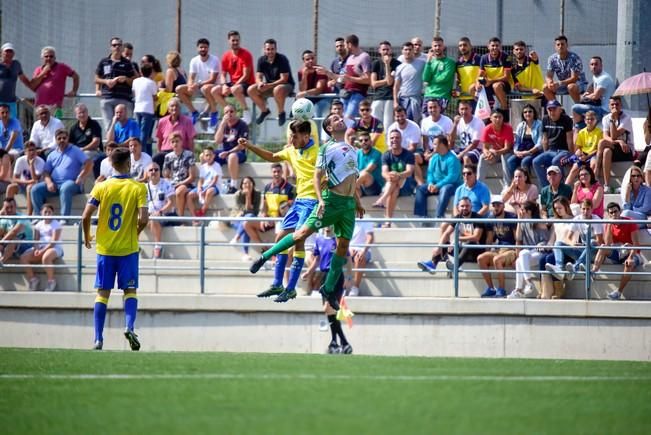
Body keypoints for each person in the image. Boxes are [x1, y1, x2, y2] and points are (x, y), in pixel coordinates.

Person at [249, 113, 365, 311]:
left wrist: (358, 202)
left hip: (347, 205)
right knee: (301, 234)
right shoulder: (326, 148)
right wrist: (320, 200)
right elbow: (317, 176)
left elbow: (352, 179)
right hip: (330, 201)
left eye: (340, 117)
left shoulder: (352, 150)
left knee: (343, 247)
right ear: (329, 128)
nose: (340, 119)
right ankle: (265, 256)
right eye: (335, 119)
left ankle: (328, 289)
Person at [239, 120, 319, 302]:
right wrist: (250, 146)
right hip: (299, 201)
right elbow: (272, 156)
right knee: (280, 236)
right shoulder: (292, 150)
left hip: (312, 202)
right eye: (290, 135)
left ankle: (291, 288)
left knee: (298, 240)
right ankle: (277, 283)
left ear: (306, 136)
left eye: (295, 136)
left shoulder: (317, 153)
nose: (291, 139)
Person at [81, 147, 148, 351]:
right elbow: (144, 219)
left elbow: (85, 216)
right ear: (129, 163)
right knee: (130, 290)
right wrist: (135, 233)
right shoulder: (138, 188)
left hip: (105, 249)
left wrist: (86, 236)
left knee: (103, 293)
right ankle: (129, 327)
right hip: (128, 249)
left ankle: (98, 339)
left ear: (111, 164)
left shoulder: (101, 187)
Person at [300, 228, 352, 354]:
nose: (328, 227)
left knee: (328, 309)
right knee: (330, 312)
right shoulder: (319, 239)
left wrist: (349, 277)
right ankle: (340, 343)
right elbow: (317, 260)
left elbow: (348, 259)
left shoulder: (338, 239)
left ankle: (339, 342)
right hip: (324, 277)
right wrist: (308, 272)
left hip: (336, 276)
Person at [31, 129, 92, 218]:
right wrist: (49, 183)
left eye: (64, 138)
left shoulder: (75, 150)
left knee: (65, 188)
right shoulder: (52, 154)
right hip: (55, 185)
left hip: (72, 183)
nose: (62, 140)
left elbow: (89, 163)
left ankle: (64, 218)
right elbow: (46, 172)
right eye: (59, 138)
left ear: (68, 138)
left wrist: (81, 176)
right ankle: (38, 217)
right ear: (55, 140)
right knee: (35, 189)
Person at [416, 196, 485, 273]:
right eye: (462, 206)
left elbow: (476, 238)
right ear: (458, 207)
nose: (465, 208)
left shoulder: (477, 218)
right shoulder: (458, 218)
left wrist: (457, 239)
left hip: (476, 252)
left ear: (471, 207)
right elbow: (446, 233)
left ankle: (454, 267)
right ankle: (433, 264)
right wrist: (439, 247)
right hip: (463, 252)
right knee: (445, 243)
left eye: (467, 206)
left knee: (470, 243)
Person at [593, 202, 644, 300]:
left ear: (620, 211)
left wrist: (630, 257)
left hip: (632, 252)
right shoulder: (609, 224)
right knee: (603, 246)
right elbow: (608, 244)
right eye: (611, 213)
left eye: (615, 211)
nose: (613, 214)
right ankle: (594, 271)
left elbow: (636, 244)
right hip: (619, 252)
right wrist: (609, 225)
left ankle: (618, 292)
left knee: (629, 263)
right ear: (608, 214)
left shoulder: (630, 222)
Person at [243, 163, 295, 258]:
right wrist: (263, 217)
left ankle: (275, 257)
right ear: (271, 173)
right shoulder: (267, 187)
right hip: (269, 219)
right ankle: (266, 251)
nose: (276, 174)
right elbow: (264, 206)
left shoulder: (289, 188)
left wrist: (275, 219)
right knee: (247, 223)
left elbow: (290, 208)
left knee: (279, 232)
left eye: (278, 171)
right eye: (274, 172)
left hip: (282, 220)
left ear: (282, 172)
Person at [546, 198, 604, 281]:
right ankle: (559, 269)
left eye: (588, 209)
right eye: (583, 209)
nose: (585, 211)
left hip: (593, 251)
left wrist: (586, 245)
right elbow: (568, 237)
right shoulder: (577, 219)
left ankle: (575, 268)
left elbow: (599, 242)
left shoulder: (596, 220)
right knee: (558, 243)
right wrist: (573, 243)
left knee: (592, 242)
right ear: (580, 209)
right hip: (582, 251)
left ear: (592, 209)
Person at [317, 34, 371, 122]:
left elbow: (368, 80)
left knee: (348, 118)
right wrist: (326, 72)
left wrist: (351, 78)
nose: (344, 47)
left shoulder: (364, 57)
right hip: (346, 93)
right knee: (339, 119)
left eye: (345, 45)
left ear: (349, 45)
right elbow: (342, 79)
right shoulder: (350, 59)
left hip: (357, 93)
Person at [507, 201, 552, 299]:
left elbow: (546, 240)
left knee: (522, 254)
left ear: (529, 211)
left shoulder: (539, 222)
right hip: (528, 253)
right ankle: (519, 289)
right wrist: (519, 220)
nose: (521, 211)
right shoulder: (523, 223)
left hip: (540, 252)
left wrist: (541, 244)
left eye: (522, 209)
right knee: (520, 258)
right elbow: (518, 238)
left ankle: (527, 284)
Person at [413, 135, 462, 224]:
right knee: (420, 188)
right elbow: (430, 173)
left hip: (452, 185)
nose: (433, 146)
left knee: (445, 188)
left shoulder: (453, 159)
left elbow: (452, 177)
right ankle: (422, 217)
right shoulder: (434, 158)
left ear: (442, 145)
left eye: (435, 144)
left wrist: (438, 185)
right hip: (436, 185)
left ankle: (439, 215)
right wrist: (431, 183)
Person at [476, 198, 518, 298]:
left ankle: (501, 289)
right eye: (494, 205)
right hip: (499, 250)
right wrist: (486, 252)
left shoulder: (511, 218)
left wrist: (517, 255)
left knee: (497, 259)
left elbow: (517, 238)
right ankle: (491, 288)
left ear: (503, 206)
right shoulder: (491, 218)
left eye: (498, 205)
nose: (496, 208)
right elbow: (490, 238)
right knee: (481, 258)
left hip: (511, 249)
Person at [248, 39, 294, 126]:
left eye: (272, 49)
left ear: (276, 49)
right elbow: (258, 76)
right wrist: (260, 83)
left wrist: (269, 85)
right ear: (264, 50)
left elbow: (284, 79)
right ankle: (265, 111)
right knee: (251, 90)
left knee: (277, 89)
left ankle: (281, 113)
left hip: (286, 85)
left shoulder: (282, 59)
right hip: (270, 86)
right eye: (268, 49)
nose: (270, 51)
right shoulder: (261, 60)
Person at [176, 38, 222, 126]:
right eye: (201, 47)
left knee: (205, 88)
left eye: (205, 47)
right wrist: (190, 86)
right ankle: (194, 112)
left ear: (208, 48)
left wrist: (198, 84)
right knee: (179, 89)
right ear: (197, 48)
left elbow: (212, 79)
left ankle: (213, 112)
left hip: (212, 87)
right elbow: (191, 77)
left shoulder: (214, 60)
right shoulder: (194, 60)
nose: (203, 49)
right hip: (200, 87)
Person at [94, 37, 136, 130]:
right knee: (109, 127)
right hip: (107, 98)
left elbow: (135, 79)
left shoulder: (127, 63)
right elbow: (96, 78)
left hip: (124, 99)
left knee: (125, 127)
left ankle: (124, 144)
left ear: (122, 48)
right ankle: (111, 144)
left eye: (119, 45)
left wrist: (126, 79)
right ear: (110, 47)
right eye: (114, 45)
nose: (117, 47)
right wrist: (105, 82)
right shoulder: (104, 62)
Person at [19, 203, 63, 291]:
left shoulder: (56, 224)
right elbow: (36, 240)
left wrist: (42, 251)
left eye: (49, 212)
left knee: (46, 257)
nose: (47, 214)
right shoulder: (38, 225)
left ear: (52, 213)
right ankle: (33, 279)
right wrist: (36, 249)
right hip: (41, 248)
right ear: (41, 213)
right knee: (23, 257)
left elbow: (53, 242)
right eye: (45, 212)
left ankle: (51, 281)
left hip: (55, 248)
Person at [531, 100, 574, 186]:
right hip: (550, 150)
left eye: (554, 109)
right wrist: (545, 152)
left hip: (563, 150)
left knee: (555, 161)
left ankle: (560, 187)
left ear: (560, 110)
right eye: (549, 109)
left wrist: (571, 154)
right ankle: (546, 187)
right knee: (536, 161)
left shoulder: (566, 119)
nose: (552, 112)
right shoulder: (545, 119)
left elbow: (569, 138)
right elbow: (545, 138)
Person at [596, 96, 635, 191]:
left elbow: (614, 135)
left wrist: (613, 120)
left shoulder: (626, 118)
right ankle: (607, 185)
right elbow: (605, 136)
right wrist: (619, 141)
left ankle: (596, 172)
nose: (615, 107)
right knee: (606, 151)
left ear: (621, 105)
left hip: (626, 150)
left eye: (617, 104)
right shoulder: (605, 118)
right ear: (609, 106)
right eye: (612, 104)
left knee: (602, 143)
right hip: (614, 147)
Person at [216, 30, 254, 124]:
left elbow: (246, 75)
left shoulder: (246, 54)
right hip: (234, 84)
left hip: (247, 83)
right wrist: (224, 85)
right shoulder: (226, 56)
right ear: (229, 41)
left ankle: (246, 111)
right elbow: (223, 74)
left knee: (235, 89)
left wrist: (232, 87)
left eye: (237, 40)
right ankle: (230, 111)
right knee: (214, 90)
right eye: (233, 40)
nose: (235, 42)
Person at [379, 129, 416, 227]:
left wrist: (397, 175)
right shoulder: (386, 155)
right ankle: (388, 222)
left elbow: (409, 172)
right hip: (392, 186)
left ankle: (382, 199)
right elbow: (384, 172)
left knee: (395, 176)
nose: (394, 140)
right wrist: (390, 176)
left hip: (407, 186)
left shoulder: (408, 154)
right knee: (394, 189)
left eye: (397, 137)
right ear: (389, 140)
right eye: (392, 138)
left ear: (401, 139)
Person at [30, 46, 79, 112]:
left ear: (55, 58)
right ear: (42, 58)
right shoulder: (38, 69)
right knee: (39, 123)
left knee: (56, 122)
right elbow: (33, 85)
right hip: (39, 108)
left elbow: (76, 77)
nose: (49, 58)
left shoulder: (62, 67)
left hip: (55, 107)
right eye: (46, 56)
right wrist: (44, 72)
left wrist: (74, 91)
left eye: (51, 56)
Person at [571, 56, 615, 127]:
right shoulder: (596, 76)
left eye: (596, 64)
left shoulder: (604, 78)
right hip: (599, 106)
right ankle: (581, 127)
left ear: (601, 66)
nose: (594, 67)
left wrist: (584, 97)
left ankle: (579, 128)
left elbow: (595, 96)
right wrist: (587, 94)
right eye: (592, 64)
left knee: (575, 108)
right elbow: (593, 91)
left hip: (605, 110)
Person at [214, 104, 249, 194]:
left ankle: (233, 185)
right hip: (225, 151)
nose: (229, 114)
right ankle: (208, 182)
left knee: (232, 156)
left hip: (238, 153)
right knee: (205, 155)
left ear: (236, 113)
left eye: (231, 111)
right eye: (226, 112)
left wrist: (229, 152)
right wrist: (222, 124)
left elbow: (242, 145)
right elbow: (217, 141)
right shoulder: (222, 125)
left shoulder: (242, 125)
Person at [153, 97, 196, 168]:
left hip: (181, 152)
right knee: (156, 159)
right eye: (172, 106)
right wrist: (159, 152)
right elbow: (159, 140)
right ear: (168, 109)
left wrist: (191, 155)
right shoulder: (162, 121)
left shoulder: (187, 121)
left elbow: (191, 140)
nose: (174, 108)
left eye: (177, 106)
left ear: (180, 108)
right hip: (166, 152)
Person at [543, 35, 587, 104]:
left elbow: (574, 78)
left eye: (562, 44)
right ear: (555, 47)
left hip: (578, 84)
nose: (560, 46)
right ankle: (558, 109)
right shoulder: (552, 59)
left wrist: (560, 83)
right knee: (545, 87)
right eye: (558, 44)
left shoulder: (574, 58)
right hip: (563, 84)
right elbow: (549, 76)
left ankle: (579, 107)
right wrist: (550, 83)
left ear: (567, 45)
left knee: (571, 87)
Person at [162, 132, 196, 219]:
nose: (175, 144)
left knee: (179, 191)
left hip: (187, 183)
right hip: (173, 183)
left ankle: (180, 218)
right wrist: (170, 182)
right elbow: (166, 175)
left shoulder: (189, 155)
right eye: (173, 142)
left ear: (181, 142)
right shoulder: (168, 157)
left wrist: (179, 183)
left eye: (177, 141)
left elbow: (192, 177)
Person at [145, 162, 175, 259]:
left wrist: (160, 212)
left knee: (153, 219)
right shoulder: (144, 187)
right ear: (147, 173)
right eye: (151, 170)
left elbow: (172, 202)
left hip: (165, 214)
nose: (153, 172)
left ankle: (158, 246)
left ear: (160, 171)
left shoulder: (167, 184)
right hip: (150, 214)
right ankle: (135, 247)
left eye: (156, 169)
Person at [385, 106, 423, 185]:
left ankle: (420, 184)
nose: (400, 118)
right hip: (397, 152)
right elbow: (390, 146)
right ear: (394, 117)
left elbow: (413, 147)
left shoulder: (414, 126)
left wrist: (401, 155)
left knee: (413, 157)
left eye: (402, 115)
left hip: (416, 151)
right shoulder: (391, 128)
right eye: (397, 116)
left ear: (406, 115)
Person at [564, 110, 601, 185]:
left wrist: (587, 156)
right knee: (574, 169)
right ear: (585, 120)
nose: (590, 121)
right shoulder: (581, 132)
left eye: (592, 119)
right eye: (588, 119)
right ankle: (565, 189)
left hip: (593, 155)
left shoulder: (599, 132)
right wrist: (580, 154)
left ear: (595, 120)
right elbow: (578, 147)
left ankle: (592, 185)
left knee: (593, 164)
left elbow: (598, 149)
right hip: (583, 155)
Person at [506, 103, 542, 180]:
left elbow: (539, 143)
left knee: (524, 162)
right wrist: (516, 152)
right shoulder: (521, 125)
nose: (527, 113)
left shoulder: (539, 124)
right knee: (510, 161)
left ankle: (526, 184)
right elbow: (517, 142)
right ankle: (513, 183)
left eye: (530, 111)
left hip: (534, 151)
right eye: (525, 112)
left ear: (534, 113)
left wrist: (528, 152)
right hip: (522, 151)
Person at [6, 141, 43, 215]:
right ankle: (9, 213)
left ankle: (28, 215)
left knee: (29, 188)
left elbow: (35, 179)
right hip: (23, 184)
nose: (32, 152)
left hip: (36, 186)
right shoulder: (20, 160)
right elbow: (14, 178)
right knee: (10, 187)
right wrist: (27, 182)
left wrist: (31, 165)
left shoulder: (40, 162)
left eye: (33, 150)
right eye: (29, 150)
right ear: (25, 152)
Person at [477, 109, 514, 184]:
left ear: (503, 118)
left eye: (500, 117)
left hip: (507, 153)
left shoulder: (508, 128)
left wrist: (495, 152)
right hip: (494, 154)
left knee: (505, 156)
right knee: (482, 157)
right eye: (495, 117)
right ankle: (478, 184)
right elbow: (485, 147)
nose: (498, 119)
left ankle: (507, 185)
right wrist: (488, 153)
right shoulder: (487, 129)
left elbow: (507, 148)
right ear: (490, 118)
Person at [393, 41, 426, 123]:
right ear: (402, 51)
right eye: (406, 49)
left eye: (410, 49)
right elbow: (396, 86)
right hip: (402, 99)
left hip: (414, 99)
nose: (408, 52)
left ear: (413, 50)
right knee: (401, 122)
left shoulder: (422, 64)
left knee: (412, 121)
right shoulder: (399, 67)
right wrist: (395, 101)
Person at [370, 40, 400, 130]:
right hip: (378, 97)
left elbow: (390, 82)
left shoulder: (396, 64)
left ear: (391, 50)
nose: (385, 51)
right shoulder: (376, 63)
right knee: (376, 125)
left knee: (388, 126)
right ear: (379, 51)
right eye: (383, 49)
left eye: (387, 49)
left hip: (390, 98)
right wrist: (385, 80)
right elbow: (373, 84)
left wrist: (387, 65)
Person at [187, 147, 222, 222]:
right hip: (204, 187)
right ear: (204, 157)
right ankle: (195, 217)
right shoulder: (203, 167)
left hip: (214, 187)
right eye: (206, 155)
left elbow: (214, 181)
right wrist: (199, 188)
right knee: (189, 195)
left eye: (210, 155)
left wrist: (204, 190)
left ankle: (203, 211)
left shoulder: (217, 166)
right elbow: (201, 180)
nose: (208, 157)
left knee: (209, 191)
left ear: (213, 156)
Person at [422, 36, 456, 111]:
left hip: (442, 95)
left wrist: (430, 80)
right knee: (426, 120)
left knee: (438, 119)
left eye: (439, 45)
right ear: (432, 47)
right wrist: (428, 61)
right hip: (428, 95)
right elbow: (425, 78)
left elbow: (443, 78)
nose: (437, 48)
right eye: (435, 46)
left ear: (443, 47)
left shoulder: (449, 62)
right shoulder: (430, 62)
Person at [231, 177, 261, 260]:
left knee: (248, 219)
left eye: (249, 183)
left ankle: (236, 238)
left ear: (253, 184)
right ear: (241, 185)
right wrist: (247, 197)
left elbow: (254, 211)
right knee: (246, 223)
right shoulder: (238, 194)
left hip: (250, 217)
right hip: (237, 218)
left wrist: (248, 197)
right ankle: (245, 253)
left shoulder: (257, 194)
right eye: (244, 183)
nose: (247, 185)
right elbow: (240, 211)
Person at [477, 37, 512, 110]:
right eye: (493, 45)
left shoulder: (507, 57)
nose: (495, 47)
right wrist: (478, 84)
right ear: (488, 46)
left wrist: (491, 81)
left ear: (500, 47)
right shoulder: (483, 58)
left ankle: (505, 109)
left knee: (496, 86)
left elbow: (506, 77)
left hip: (504, 84)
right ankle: (479, 110)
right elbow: (480, 75)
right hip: (489, 84)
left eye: (497, 45)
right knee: (472, 88)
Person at [0, 42, 33, 118]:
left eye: (10, 51)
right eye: (6, 51)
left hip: (11, 100)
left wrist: (33, 87)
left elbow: (23, 78)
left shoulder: (16, 64)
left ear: (13, 54)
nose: (8, 53)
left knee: (12, 122)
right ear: (1, 53)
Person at [131, 63, 158, 154]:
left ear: (140, 71)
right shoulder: (152, 83)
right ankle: (142, 152)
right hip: (148, 109)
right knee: (145, 134)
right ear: (151, 72)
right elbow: (155, 96)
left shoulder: (135, 81)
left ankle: (137, 150)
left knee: (138, 132)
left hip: (137, 108)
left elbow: (134, 93)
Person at [296, 49, 330, 119]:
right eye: (307, 59)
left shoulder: (320, 70)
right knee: (297, 110)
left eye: (312, 58)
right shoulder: (301, 72)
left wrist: (304, 93)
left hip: (324, 97)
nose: (311, 61)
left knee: (317, 109)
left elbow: (319, 90)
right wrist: (304, 75)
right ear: (304, 61)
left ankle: (317, 129)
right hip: (311, 97)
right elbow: (302, 89)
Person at [68, 103, 103, 169]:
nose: (82, 115)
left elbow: (96, 142)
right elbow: (70, 144)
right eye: (79, 113)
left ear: (87, 112)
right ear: (76, 115)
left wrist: (83, 149)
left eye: (84, 112)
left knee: (84, 156)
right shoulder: (73, 128)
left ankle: (81, 178)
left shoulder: (94, 124)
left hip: (93, 151)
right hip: (78, 152)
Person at [0, 197, 33, 267]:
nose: (9, 210)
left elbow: (14, 231)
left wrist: (2, 243)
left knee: (14, 240)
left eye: (11, 207)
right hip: (12, 247)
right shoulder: (5, 219)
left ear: (15, 207)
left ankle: (1, 261)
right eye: (6, 208)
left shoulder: (23, 217)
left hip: (26, 246)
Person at [449, 100, 484, 166]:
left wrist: (462, 154)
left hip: (477, 149)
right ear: (458, 110)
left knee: (466, 157)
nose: (464, 111)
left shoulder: (478, 122)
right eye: (462, 109)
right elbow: (451, 139)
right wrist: (455, 125)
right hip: (461, 148)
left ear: (471, 109)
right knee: (447, 156)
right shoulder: (458, 121)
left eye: (466, 109)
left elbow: (474, 144)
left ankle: (468, 175)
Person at [420, 99, 453, 165]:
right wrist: (427, 151)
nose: (433, 110)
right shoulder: (424, 121)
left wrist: (433, 154)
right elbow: (425, 140)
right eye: (430, 108)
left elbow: (449, 141)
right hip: (431, 149)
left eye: (435, 107)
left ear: (440, 108)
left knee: (433, 159)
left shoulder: (447, 121)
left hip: (443, 149)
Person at [347, 218, 374, 296]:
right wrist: (348, 249)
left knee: (359, 258)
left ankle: (355, 287)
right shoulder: (345, 219)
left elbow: (370, 238)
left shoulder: (366, 221)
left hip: (362, 250)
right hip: (348, 249)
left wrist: (363, 251)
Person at [355, 131, 384, 197]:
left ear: (370, 141)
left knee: (365, 174)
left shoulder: (377, 154)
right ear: (359, 143)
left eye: (366, 140)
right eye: (361, 140)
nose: (363, 142)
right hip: (360, 185)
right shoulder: (357, 153)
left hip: (375, 187)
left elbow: (368, 170)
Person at [455, 37, 481, 103]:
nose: (462, 47)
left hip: (477, 98)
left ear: (470, 46)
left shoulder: (479, 59)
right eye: (460, 46)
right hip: (462, 98)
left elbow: (484, 75)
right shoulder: (458, 63)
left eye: (465, 45)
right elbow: (458, 80)